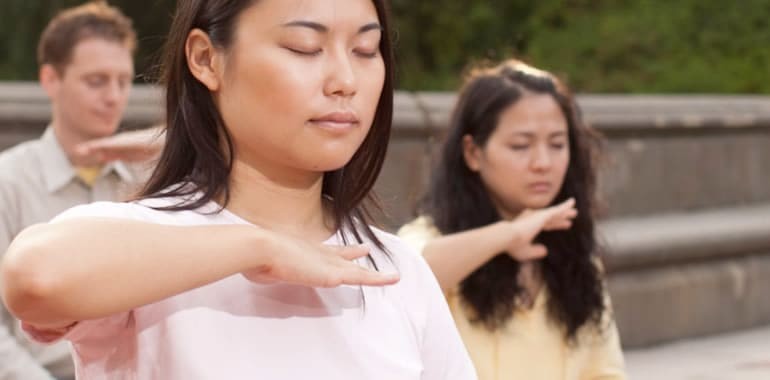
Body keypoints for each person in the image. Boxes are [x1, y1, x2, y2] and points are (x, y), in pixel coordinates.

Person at [1, 1, 477, 379]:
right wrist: (259, 247)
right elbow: (34, 276)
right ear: (206, 59)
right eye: (304, 47)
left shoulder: (397, 269)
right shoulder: (146, 236)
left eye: (366, 51)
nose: (345, 81)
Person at [398, 59, 627, 380]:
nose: (543, 162)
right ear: (473, 153)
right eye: (521, 145)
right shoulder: (432, 236)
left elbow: (604, 372)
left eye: (558, 144)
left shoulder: (575, 254)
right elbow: (404, 279)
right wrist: (508, 235)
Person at [0, 2, 139, 379]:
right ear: (50, 80)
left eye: (123, 81)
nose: (114, 96)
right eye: (96, 81)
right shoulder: (7, 182)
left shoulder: (151, 178)